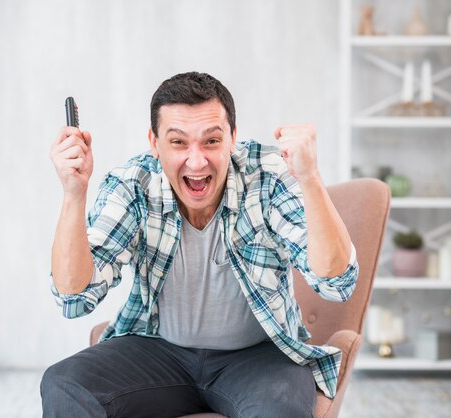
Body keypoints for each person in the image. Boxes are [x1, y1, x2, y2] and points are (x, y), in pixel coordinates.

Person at [42, 72, 358, 418]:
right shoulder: (133, 184)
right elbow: (74, 296)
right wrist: (74, 193)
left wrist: (310, 179)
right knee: (64, 383)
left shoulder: (267, 175)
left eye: (211, 141)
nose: (196, 161)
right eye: (178, 143)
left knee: (279, 409)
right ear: (154, 142)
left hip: (258, 357)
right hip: (159, 353)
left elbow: (336, 281)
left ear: (233, 139)